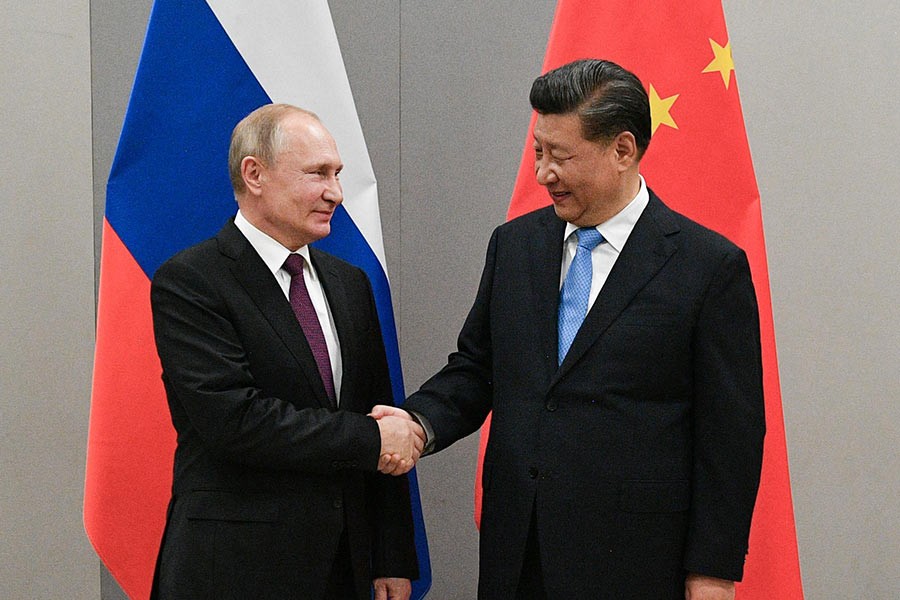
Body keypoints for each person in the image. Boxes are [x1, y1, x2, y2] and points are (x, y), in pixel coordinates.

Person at [374, 59, 765, 599]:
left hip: (636, 565)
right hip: (518, 556)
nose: (542, 173)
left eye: (560, 156)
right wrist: (419, 423)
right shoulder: (514, 245)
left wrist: (713, 572)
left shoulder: (708, 268)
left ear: (622, 150)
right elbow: (477, 369)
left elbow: (731, 438)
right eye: (538, 151)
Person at [149, 103, 423, 600]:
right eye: (318, 174)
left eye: (337, 174)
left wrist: (391, 556)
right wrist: (370, 438)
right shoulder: (191, 281)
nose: (335, 193)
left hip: (342, 569)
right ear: (254, 174)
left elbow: (377, 407)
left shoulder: (350, 283)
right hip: (234, 570)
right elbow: (236, 421)